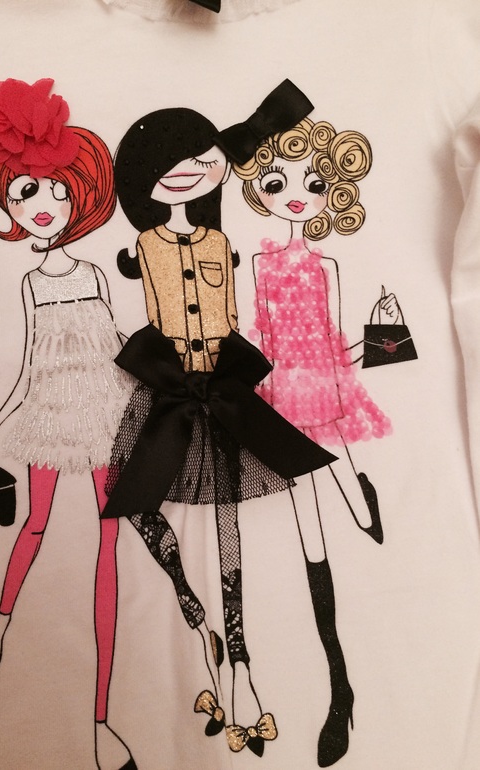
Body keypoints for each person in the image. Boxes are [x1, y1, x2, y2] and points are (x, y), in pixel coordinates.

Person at [102, 105, 336, 757]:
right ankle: (191, 609)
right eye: (167, 164)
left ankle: (240, 664)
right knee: (138, 504)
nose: (185, 171)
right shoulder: (148, 246)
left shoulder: (217, 245)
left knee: (230, 521)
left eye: (197, 160)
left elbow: (227, 316)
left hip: (221, 388)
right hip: (168, 389)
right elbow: (157, 313)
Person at [0, 78, 137, 770]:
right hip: (49, 413)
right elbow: (29, 366)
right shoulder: (31, 284)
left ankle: (101, 717)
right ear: (9, 202)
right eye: (26, 192)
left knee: (108, 542)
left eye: (57, 191)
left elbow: (118, 345)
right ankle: (0, 620)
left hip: (105, 412)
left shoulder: (93, 275)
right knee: (34, 523)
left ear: (80, 195)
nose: (42, 205)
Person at [227, 101, 403, 766]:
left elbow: (334, 334)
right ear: (262, 192)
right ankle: (339, 685)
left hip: (324, 379)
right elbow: (259, 333)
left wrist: (381, 343)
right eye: (278, 183)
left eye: (314, 183)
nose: (296, 196)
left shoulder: (324, 267)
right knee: (311, 528)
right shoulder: (260, 264)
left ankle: (363, 498)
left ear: (334, 192)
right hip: (280, 390)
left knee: (344, 475)